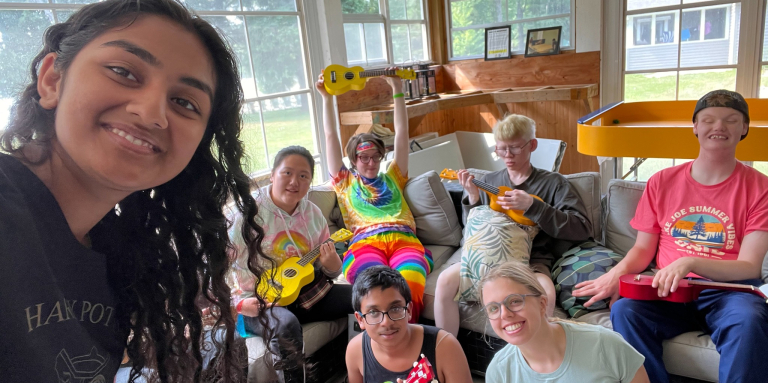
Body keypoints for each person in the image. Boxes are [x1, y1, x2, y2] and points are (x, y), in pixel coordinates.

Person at [0, 1, 268, 381]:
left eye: (184, 102)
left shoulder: (113, 259)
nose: (152, 113)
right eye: (123, 72)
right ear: (52, 81)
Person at [573, 89, 768, 383]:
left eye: (731, 120)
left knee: (750, 319)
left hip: (728, 292)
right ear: (695, 127)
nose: (719, 127)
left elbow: (749, 267)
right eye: (708, 119)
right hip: (668, 289)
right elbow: (642, 249)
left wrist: (690, 262)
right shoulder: (662, 181)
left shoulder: (760, 188)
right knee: (626, 310)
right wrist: (615, 274)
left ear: (744, 128)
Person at [435, 114, 592, 336]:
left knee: (545, 293)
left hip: (532, 262)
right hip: (487, 256)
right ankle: (445, 349)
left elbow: (582, 228)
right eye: (501, 149)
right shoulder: (489, 182)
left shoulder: (554, 183)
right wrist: (473, 198)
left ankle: (539, 351)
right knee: (444, 280)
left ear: (532, 145)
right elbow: (473, 231)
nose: (507, 155)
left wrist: (535, 207)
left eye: (515, 148)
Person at [227, 146, 353, 383]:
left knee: (364, 296)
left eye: (303, 176)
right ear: (272, 175)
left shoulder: (313, 214)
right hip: (261, 303)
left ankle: (362, 367)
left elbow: (330, 272)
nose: (295, 182)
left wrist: (333, 265)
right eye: (287, 173)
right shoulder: (245, 217)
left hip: (307, 294)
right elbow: (216, 270)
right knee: (285, 325)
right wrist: (239, 304)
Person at [315, 70, 433, 322]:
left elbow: (402, 133)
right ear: (354, 159)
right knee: (372, 291)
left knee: (410, 287)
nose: (371, 162)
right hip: (365, 243)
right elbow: (330, 136)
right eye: (364, 157)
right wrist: (326, 98)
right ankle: (378, 339)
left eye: (376, 157)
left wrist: (397, 88)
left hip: (403, 240)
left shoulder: (394, 175)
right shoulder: (345, 182)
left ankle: (407, 336)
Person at [481, 261, 649, 383]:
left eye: (515, 301)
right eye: (493, 308)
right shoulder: (499, 372)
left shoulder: (605, 344)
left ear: (542, 304)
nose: (505, 314)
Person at [345, 266, 472, 383]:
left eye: (395, 308)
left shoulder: (445, 346)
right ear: (360, 319)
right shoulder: (356, 351)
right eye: (373, 312)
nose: (386, 322)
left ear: (409, 310)